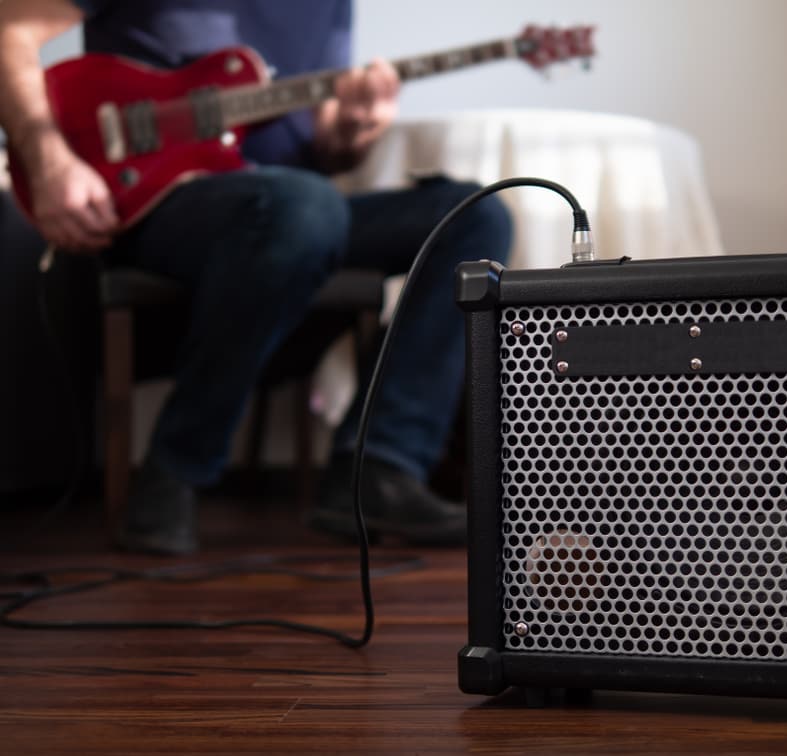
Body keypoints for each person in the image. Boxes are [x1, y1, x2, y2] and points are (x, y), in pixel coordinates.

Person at [0, 0, 512, 554]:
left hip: (291, 209)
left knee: (475, 214)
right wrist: (50, 159)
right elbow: (10, 29)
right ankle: (176, 467)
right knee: (305, 207)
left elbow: (323, 147)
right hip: (158, 207)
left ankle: (380, 467)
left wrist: (353, 131)